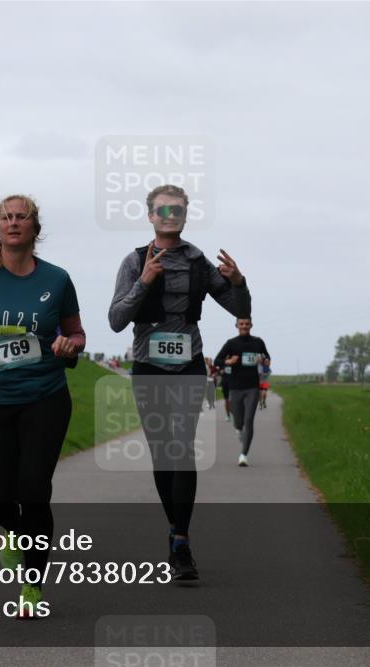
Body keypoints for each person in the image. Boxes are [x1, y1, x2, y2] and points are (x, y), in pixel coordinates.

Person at [0, 194, 85, 618]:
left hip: (44, 398)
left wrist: (67, 344)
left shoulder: (57, 280)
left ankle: (32, 585)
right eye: (6, 217)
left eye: (22, 217)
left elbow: (77, 336)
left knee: (34, 492)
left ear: (34, 227)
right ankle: (14, 532)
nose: (13, 222)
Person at [109, 184, 251, 581]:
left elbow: (240, 310)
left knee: (181, 448)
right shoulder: (135, 261)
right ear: (150, 215)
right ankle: (176, 529)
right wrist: (145, 281)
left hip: (188, 363)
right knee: (162, 452)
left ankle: (181, 540)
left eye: (178, 210)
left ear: (185, 216)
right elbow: (116, 319)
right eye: (162, 210)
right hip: (148, 365)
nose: (170, 215)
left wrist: (239, 282)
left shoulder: (197, 261)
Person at [215, 319, 271, 467]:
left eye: (247, 324)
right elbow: (217, 360)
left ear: (251, 325)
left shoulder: (258, 342)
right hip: (235, 387)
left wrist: (265, 361)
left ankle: (243, 455)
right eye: (242, 324)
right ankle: (239, 430)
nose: (244, 326)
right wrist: (228, 362)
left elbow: (266, 357)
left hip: (252, 387)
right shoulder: (231, 343)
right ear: (237, 326)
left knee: (249, 420)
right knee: (238, 421)